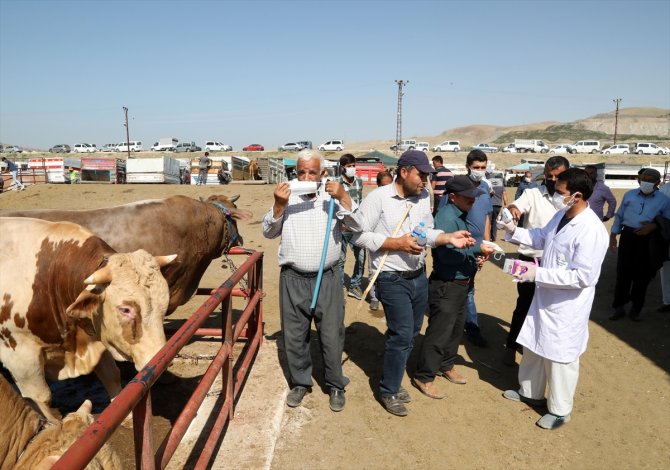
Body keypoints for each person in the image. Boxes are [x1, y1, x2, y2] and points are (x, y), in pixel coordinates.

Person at [345, 150, 475, 417]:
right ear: (404, 172)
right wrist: (395, 243)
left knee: (413, 333)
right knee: (402, 335)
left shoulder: (423, 196)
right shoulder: (378, 198)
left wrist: (448, 237)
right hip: (391, 277)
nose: (425, 181)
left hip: (418, 275)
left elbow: (425, 231)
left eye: (428, 175)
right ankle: (389, 389)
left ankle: (393, 380)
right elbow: (357, 235)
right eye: (421, 175)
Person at [500, 168, 608, 430]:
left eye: (560, 192)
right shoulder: (561, 214)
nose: (555, 196)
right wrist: (512, 230)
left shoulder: (591, 230)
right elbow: (540, 237)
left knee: (560, 357)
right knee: (534, 346)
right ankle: (530, 392)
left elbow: (583, 277)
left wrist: (538, 273)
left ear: (578, 195)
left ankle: (560, 410)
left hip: (566, 306)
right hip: (544, 296)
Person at [262, 149, 355, 412]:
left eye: (311, 172)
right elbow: (268, 232)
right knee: (294, 335)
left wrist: (344, 197)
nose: (305, 176)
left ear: (322, 173)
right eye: (300, 171)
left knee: (331, 334)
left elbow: (357, 226)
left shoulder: (332, 196)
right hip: (293, 278)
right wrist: (278, 205)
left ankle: (335, 383)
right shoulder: (287, 196)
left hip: (327, 279)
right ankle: (301, 382)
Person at [412, 176, 496, 399]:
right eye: (468, 196)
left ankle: (446, 365)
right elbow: (446, 256)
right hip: (447, 284)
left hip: (461, 282)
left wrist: (475, 256)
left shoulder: (460, 213)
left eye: (473, 196)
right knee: (439, 332)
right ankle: (424, 375)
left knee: (456, 329)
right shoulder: (447, 217)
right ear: (454, 196)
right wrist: (477, 249)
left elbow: (462, 250)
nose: (473, 200)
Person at [503, 156, 569, 366]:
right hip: (529, 260)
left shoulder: (570, 198)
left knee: (550, 308)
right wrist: (513, 209)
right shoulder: (533, 193)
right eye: (549, 175)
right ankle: (512, 346)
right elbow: (516, 205)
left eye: (557, 176)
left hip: (557, 263)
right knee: (524, 304)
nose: (552, 179)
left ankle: (541, 349)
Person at [438, 149, 492, 347]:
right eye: (476, 167)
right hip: (462, 246)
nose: (479, 170)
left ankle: (463, 323)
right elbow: (444, 217)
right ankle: (471, 327)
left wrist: (486, 243)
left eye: (483, 167)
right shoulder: (457, 189)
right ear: (467, 166)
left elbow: (487, 216)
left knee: (469, 286)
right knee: (463, 287)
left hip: (479, 248)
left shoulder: (485, 188)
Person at [610, 168, 670, 321]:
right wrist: (613, 236)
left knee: (642, 276)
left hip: (649, 240)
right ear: (638, 180)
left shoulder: (664, 200)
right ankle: (619, 307)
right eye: (644, 179)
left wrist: (653, 226)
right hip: (628, 237)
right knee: (623, 273)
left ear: (658, 182)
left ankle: (636, 309)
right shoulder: (629, 195)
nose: (647, 183)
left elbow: (668, 220)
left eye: (651, 180)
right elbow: (619, 215)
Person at [337, 154, 366, 301]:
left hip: (357, 229)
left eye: (353, 165)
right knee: (340, 260)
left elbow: (360, 203)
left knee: (361, 258)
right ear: (342, 167)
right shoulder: (337, 184)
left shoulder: (359, 182)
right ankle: (340, 286)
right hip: (342, 228)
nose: (352, 169)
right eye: (349, 166)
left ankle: (355, 285)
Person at [367, 170, 394, 311]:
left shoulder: (396, 200)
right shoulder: (372, 199)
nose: (387, 189)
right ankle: (374, 297)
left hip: (392, 241)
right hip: (375, 242)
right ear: (378, 185)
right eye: (383, 185)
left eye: (390, 185)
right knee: (373, 270)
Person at [488, 172, 508, 242]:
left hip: (489, 205)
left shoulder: (489, 184)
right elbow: (504, 195)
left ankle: (487, 237)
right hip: (498, 205)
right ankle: (493, 237)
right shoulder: (501, 185)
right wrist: (506, 204)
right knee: (494, 222)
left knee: (488, 222)